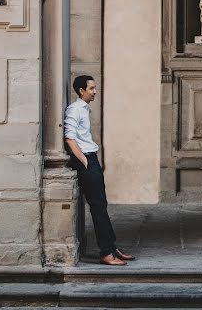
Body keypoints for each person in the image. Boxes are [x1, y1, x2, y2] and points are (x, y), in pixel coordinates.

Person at [64, 75, 134, 266]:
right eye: (92, 88)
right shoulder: (75, 110)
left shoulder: (84, 109)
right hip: (86, 160)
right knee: (98, 208)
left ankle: (112, 248)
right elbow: (69, 138)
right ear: (81, 91)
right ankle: (106, 253)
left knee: (101, 206)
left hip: (91, 158)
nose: (95, 92)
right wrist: (86, 162)